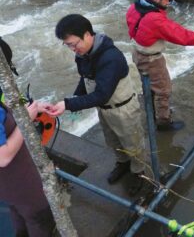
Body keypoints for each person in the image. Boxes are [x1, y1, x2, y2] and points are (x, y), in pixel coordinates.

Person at [48, 15, 146, 195]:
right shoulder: (83, 54)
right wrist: (76, 96)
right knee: (113, 141)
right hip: (104, 109)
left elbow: (101, 94)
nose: (72, 49)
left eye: (73, 43)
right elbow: (85, 77)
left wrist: (69, 104)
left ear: (87, 34)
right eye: (67, 45)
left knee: (133, 143)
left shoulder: (111, 57)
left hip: (123, 109)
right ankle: (123, 163)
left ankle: (139, 173)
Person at [126, 0, 194, 131]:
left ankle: (152, 111)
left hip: (137, 53)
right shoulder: (155, 19)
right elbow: (182, 36)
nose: (169, 3)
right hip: (151, 59)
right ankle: (163, 122)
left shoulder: (135, 6)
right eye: (167, 0)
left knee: (149, 85)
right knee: (163, 90)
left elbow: (132, 24)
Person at [0, 37, 56, 236]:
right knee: (39, 218)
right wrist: (26, 121)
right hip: (20, 180)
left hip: (8, 187)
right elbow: (3, 157)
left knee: (18, 212)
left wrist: (31, 109)